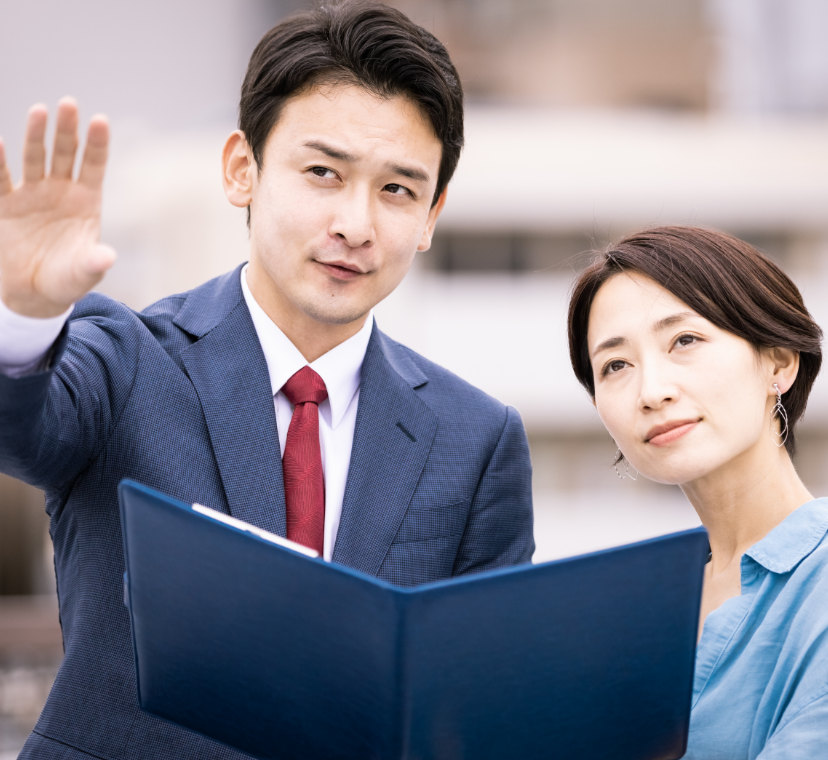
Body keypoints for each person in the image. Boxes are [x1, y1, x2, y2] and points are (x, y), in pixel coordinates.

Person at [0, 2, 534, 757]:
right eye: (323, 173)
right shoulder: (126, 358)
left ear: (432, 215)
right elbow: (18, 428)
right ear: (241, 170)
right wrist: (22, 317)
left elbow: (482, 701)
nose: (356, 224)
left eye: (398, 191)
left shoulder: (475, 440)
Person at [567, 225, 828, 758]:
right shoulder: (630, 614)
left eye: (684, 340)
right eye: (615, 365)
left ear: (778, 360)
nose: (652, 391)